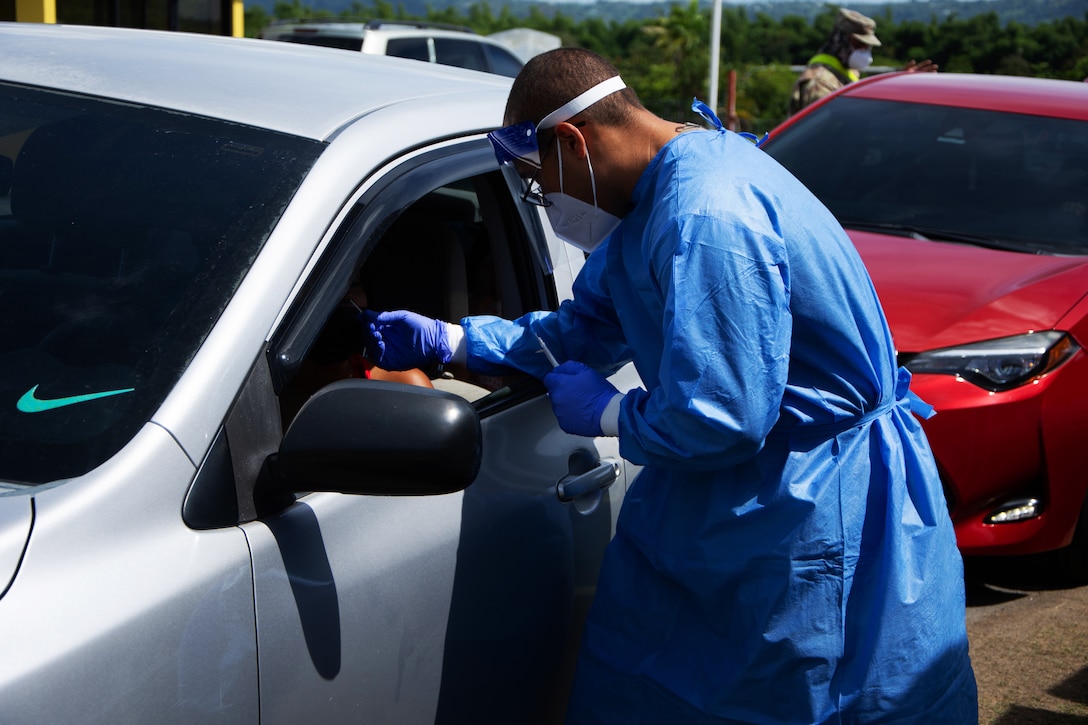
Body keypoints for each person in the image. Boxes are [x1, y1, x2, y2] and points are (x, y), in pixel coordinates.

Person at [360, 48, 977, 722]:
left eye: (541, 183)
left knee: (793, 695)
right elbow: (587, 324)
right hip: (734, 500)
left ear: (572, 140)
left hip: (806, 502)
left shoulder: (708, 215)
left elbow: (724, 413)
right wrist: (455, 341)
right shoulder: (659, 195)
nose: (546, 202)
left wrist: (612, 414)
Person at [789, 8, 937, 115]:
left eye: (868, 46)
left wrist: (897, 83)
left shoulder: (845, 72)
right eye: (859, 44)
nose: (865, 51)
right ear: (840, 41)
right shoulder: (819, 82)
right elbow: (839, 122)